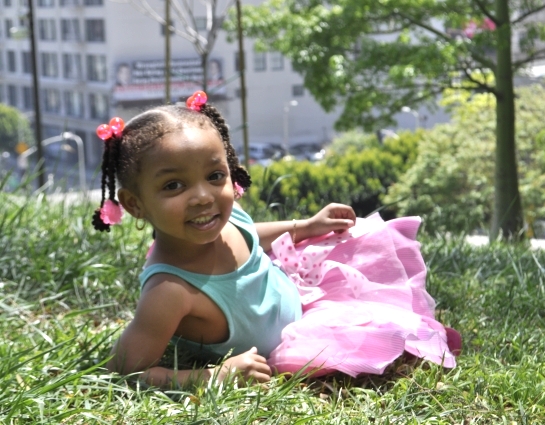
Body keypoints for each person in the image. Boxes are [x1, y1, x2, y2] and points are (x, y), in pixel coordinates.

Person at [92, 90, 461, 388]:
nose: (203, 196)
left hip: (299, 290)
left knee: (365, 244)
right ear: (135, 204)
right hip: (289, 342)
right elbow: (125, 370)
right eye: (174, 185)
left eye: (215, 176)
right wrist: (213, 375)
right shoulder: (169, 291)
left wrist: (306, 226)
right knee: (374, 343)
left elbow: (250, 234)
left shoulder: (225, 217)